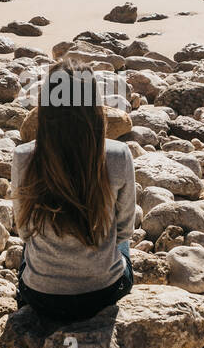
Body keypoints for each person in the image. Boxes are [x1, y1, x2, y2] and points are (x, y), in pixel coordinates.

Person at [11, 59, 136, 320]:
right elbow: (124, 230)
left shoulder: (24, 156)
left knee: (29, 250)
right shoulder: (118, 155)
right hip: (103, 293)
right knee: (119, 245)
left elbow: (24, 231)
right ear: (94, 107)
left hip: (42, 295)